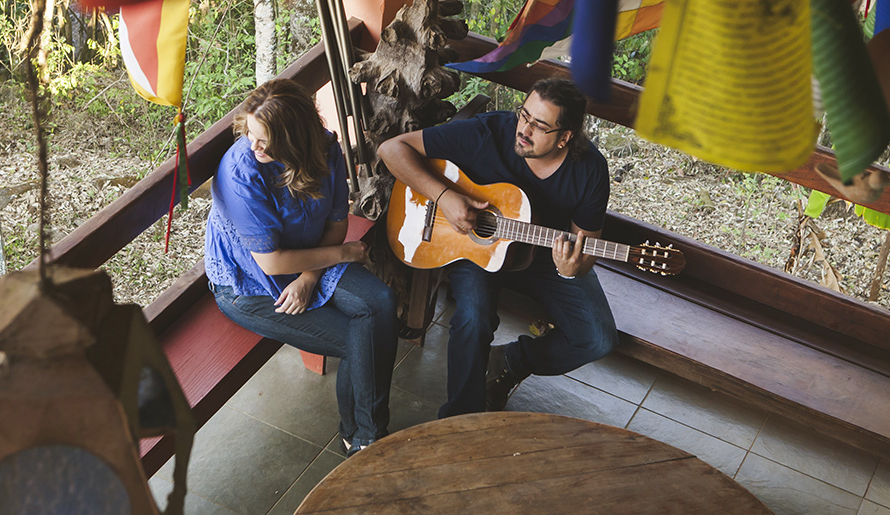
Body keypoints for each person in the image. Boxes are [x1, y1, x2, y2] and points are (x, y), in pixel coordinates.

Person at [379, 77, 617, 417]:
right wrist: (444, 197)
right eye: (524, 115)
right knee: (474, 319)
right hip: (473, 243)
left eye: (540, 126)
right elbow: (391, 149)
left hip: (541, 252)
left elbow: (585, 248)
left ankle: (510, 361)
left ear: (565, 137)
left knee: (598, 339)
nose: (524, 129)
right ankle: (461, 423)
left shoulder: (591, 170)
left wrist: (571, 268)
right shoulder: (486, 134)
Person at [204, 79, 398, 455]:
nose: (254, 146)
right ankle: (368, 440)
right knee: (365, 342)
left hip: (310, 259)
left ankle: (364, 438)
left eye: (264, 139)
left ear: (294, 138)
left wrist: (310, 277)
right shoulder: (241, 173)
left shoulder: (325, 147)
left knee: (381, 302)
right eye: (251, 135)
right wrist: (342, 255)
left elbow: (337, 222)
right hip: (250, 283)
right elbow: (272, 262)